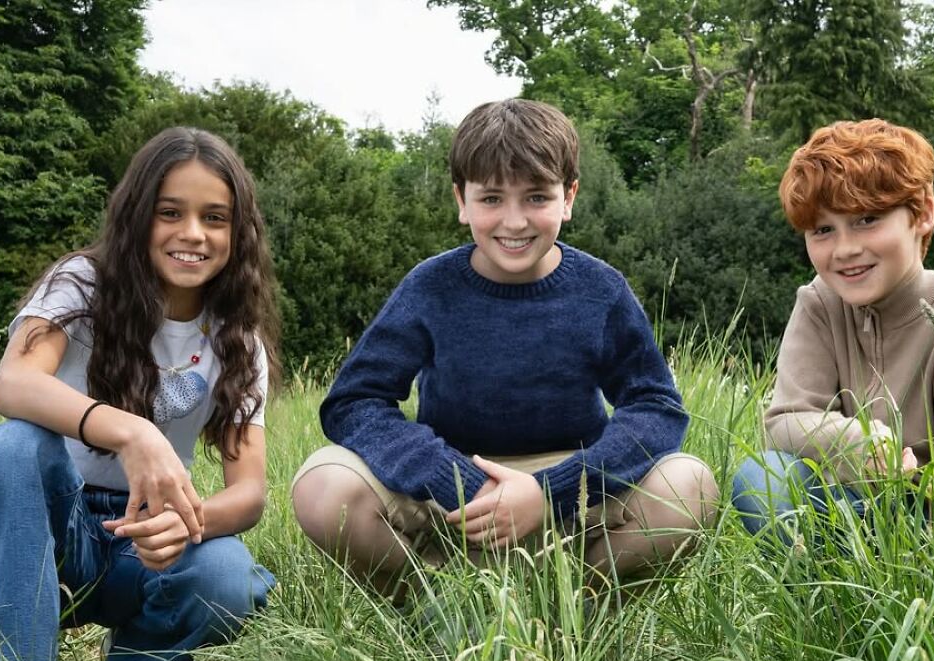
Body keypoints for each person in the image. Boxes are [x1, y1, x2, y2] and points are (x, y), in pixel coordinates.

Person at [291, 98, 719, 603]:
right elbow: (354, 403)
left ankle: (566, 606)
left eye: (536, 197)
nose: (513, 222)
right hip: (448, 493)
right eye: (491, 198)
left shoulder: (600, 290)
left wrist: (550, 491)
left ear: (569, 198)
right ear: (461, 200)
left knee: (691, 485)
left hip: (570, 493)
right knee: (321, 487)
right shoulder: (430, 287)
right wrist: (457, 480)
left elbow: (655, 407)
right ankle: (444, 602)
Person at [0, 127, 279, 661]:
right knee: (14, 445)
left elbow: (249, 492)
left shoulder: (238, 341)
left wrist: (190, 520)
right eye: (170, 212)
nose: (194, 233)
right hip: (48, 524)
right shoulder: (81, 283)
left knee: (226, 574)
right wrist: (132, 431)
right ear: (137, 215)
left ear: (238, 231)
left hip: (146, 539)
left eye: (215, 217)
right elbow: (11, 382)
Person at [731, 119, 934, 583]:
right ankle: (827, 618)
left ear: (923, 213)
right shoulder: (819, 304)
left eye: (867, 220)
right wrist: (861, 443)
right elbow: (785, 421)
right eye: (823, 230)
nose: (845, 249)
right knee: (761, 478)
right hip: (853, 510)